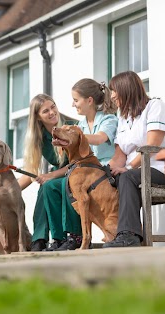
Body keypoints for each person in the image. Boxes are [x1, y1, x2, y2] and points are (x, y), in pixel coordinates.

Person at [103, 71, 165, 248]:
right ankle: (109, 233)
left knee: (127, 177)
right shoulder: (123, 118)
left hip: (162, 170)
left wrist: (129, 168)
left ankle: (129, 236)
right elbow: (119, 155)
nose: (112, 95)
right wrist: (100, 171)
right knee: (98, 181)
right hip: (137, 171)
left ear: (126, 89)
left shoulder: (155, 107)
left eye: (114, 90)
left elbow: (152, 145)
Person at [56, 78, 118, 250]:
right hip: (86, 172)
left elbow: (99, 138)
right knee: (54, 186)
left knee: (66, 184)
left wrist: (75, 136)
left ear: (89, 100)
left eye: (76, 100)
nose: (73, 104)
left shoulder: (109, 119)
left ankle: (80, 236)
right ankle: (64, 236)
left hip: (105, 170)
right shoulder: (80, 125)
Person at [18, 94, 78, 251]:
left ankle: (61, 237)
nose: (52, 112)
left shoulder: (71, 126)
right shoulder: (38, 137)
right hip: (60, 173)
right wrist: (8, 191)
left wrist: (50, 175)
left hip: (77, 170)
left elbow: (76, 162)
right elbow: (31, 171)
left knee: (49, 184)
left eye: (53, 107)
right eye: (46, 111)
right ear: (38, 118)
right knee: (45, 188)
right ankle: (39, 239)